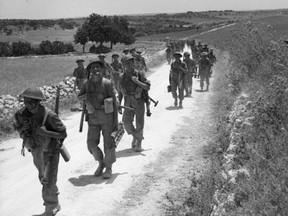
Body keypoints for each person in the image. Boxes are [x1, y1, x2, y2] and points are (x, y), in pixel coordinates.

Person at [13, 87, 67, 216]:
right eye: (26, 101)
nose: (28, 105)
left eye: (32, 102)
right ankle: (53, 195)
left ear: (39, 102)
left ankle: (51, 206)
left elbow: (63, 133)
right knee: (43, 177)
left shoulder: (49, 115)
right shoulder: (21, 114)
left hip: (51, 150)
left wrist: (46, 132)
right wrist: (22, 128)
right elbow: (17, 127)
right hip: (36, 150)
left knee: (47, 179)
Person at [78, 60, 118, 179]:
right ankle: (101, 162)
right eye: (93, 68)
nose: (95, 70)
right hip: (93, 117)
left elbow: (114, 102)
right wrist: (87, 101)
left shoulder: (107, 83)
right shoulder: (86, 84)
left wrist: (115, 121)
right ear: (90, 71)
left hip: (107, 117)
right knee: (91, 144)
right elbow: (80, 96)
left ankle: (109, 168)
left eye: (97, 67)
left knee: (109, 143)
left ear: (101, 69)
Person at [119, 55, 151, 152]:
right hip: (127, 101)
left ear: (133, 63)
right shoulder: (122, 76)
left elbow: (147, 87)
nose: (127, 66)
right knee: (126, 122)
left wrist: (137, 82)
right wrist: (119, 104)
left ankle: (139, 143)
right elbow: (120, 91)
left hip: (139, 100)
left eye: (129, 63)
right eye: (125, 64)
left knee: (139, 122)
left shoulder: (140, 74)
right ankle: (136, 136)